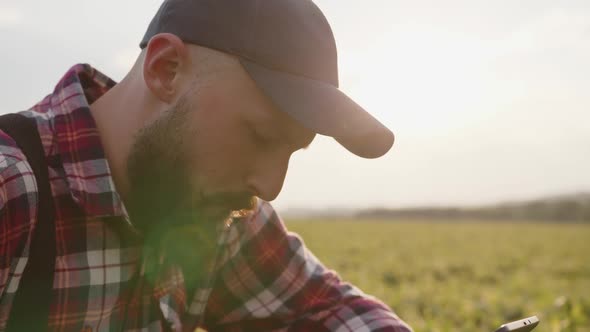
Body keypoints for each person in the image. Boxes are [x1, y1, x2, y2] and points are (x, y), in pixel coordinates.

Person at [0, 0, 412, 331]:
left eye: (291, 152)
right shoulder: (12, 192)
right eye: (260, 136)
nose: (270, 186)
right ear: (166, 70)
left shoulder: (214, 212)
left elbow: (324, 308)